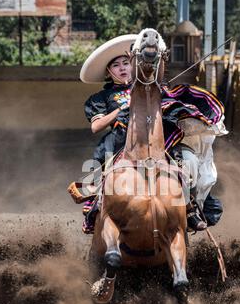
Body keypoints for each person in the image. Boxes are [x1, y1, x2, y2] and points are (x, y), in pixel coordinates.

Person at [77, 34, 226, 233]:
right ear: (108, 72)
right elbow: (96, 126)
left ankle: (189, 207)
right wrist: (122, 109)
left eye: (125, 63)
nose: (122, 68)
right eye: (116, 66)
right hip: (122, 140)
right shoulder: (101, 97)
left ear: (133, 64)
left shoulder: (151, 87)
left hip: (161, 138)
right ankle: (97, 203)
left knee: (187, 161)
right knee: (99, 162)